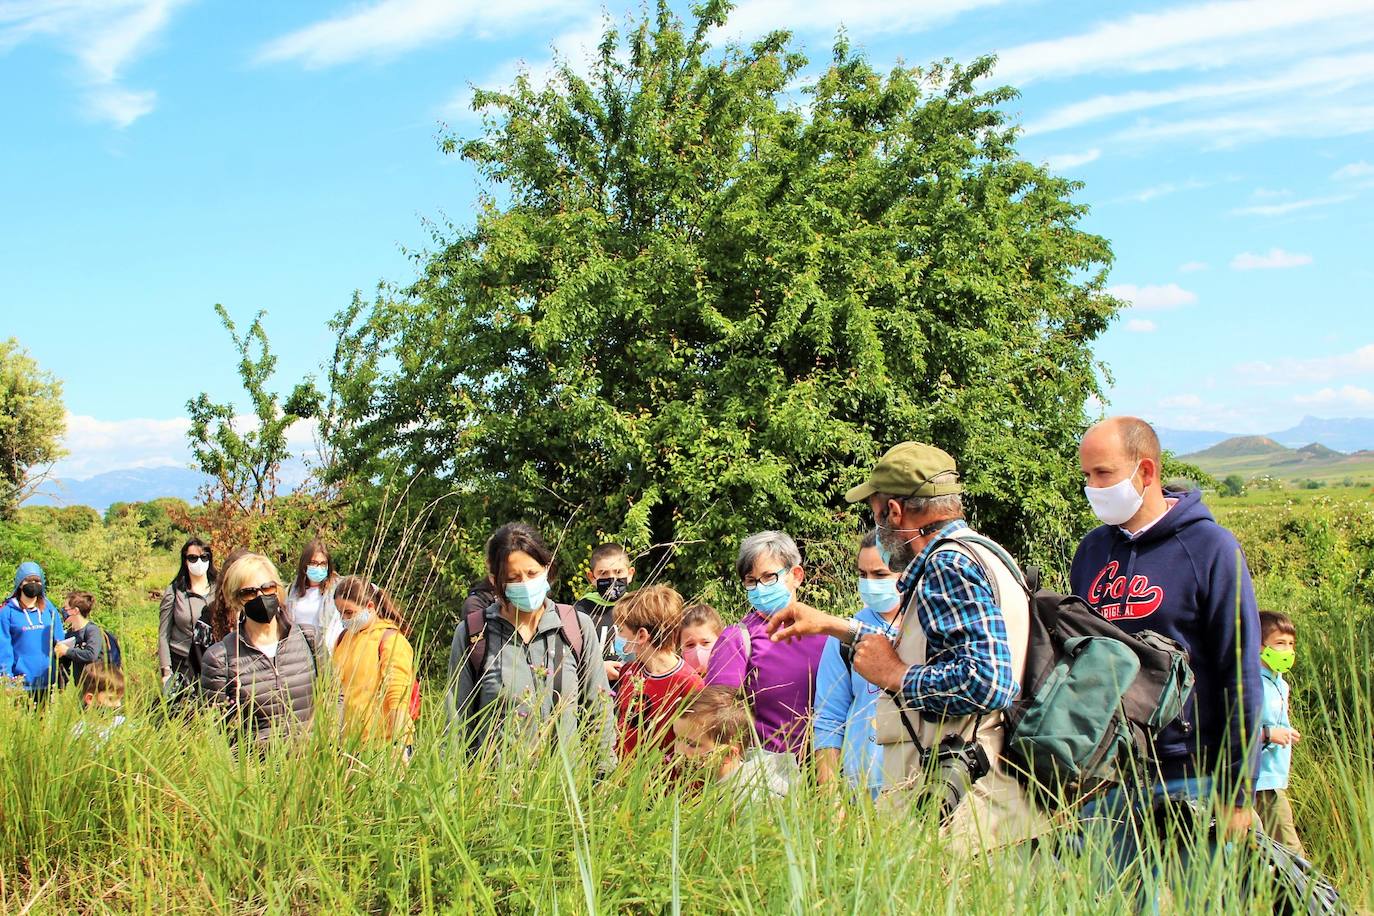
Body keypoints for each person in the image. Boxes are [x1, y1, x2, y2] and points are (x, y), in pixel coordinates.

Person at [767, 442, 1046, 852]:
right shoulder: (987, 553)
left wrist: (895, 676)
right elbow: (932, 652)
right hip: (988, 799)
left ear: (894, 512)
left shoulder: (947, 565)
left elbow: (988, 681)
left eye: (876, 513)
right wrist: (835, 627)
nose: (878, 528)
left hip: (965, 813)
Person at [1071, 417, 1261, 852]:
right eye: (1087, 476)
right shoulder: (1092, 552)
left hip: (1191, 776)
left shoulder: (1211, 548)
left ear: (1146, 471)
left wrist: (1238, 790)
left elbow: (1241, 671)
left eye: (1104, 474)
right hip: (1107, 780)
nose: (1093, 488)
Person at [444, 523, 615, 768]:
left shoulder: (575, 626)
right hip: (496, 794)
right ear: (495, 581)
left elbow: (599, 711)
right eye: (513, 578)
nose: (525, 584)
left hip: (565, 792)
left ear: (546, 568)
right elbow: (456, 722)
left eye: (532, 574)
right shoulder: (474, 633)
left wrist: (604, 780)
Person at [703, 531, 826, 759]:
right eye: (751, 581)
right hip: (765, 776)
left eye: (769, 577)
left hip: (827, 771)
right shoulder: (737, 638)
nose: (760, 588)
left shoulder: (826, 632)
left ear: (796, 575)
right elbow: (717, 717)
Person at [199, 553, 325, 744]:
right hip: (257, 769)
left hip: (312, 764)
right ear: (236, 599)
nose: (261, 596)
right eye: (249, 592)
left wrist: (330, 741)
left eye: (268, 588)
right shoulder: (220, 658)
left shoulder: (309, 639)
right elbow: (216, 729)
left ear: (278, 590)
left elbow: (334, 694)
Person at [812, 531, 902, 797]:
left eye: (880, 574)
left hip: (919, 787)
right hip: (861, 789)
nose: (869, 583)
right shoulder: (845, 635)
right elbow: (829, 718)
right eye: (863, 574)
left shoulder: (927, 629)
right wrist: (831, 799)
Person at [612, 585, 703, 758]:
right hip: (622, 779)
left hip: (663, 782)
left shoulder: (690, 684)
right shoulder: (629, 671)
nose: (618, 636)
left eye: (621, 630)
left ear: (641, 636)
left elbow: (696, 744)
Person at [673, 686, 798, 807]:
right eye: (677, 738)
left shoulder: (750, 800)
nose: (678, 750)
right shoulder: (720, 784)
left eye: (692, 744)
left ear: (728, 754)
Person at [332, 576, 417, 751]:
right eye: (340, 613)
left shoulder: (390, 640)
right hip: (350, 744)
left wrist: (398, 746)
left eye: (349, 612)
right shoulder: (342, 639)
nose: (344, 619)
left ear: (369, 606)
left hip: (383, 745)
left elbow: (398, 696)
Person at [1255, 610, 1304, 856]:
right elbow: (1236, 728)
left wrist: (1285, 732)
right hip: (1260, 780)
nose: (1287, 650)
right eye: (1279, 644)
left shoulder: (1281, 684)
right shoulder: (1251, 682)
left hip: (1276, 776)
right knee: (1291, 853)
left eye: (1290, 644)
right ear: (1260, 645)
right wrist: (1268, 734)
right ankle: (1305, 895)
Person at [572, 542, 636, 684]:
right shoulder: (580, 611)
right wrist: (598, 669)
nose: (612, 579)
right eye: (603, 573)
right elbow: (569, 658)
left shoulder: (639, 607)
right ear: (591, 577)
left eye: (618, 572)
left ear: (630, 573)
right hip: (595, 694)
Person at [159, 538, 216, 695]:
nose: (199, 562)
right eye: (193, 558)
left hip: (213, 660)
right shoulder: (175, 591)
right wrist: (166, 671)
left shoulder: (219, 589)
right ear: (185, 561)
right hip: (182, 661)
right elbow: (163, 633)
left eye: (204, 557)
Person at [0, 562, 62, 699]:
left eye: (37, 581)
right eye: (29, 580)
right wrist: (6, 679)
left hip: (47, 682)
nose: (33, 583)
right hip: (19, 685)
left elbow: (59, 639)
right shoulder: (7, 611)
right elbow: (3, 648)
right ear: (20, 583)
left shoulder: (49, 608)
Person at [286, 538, 343, 652]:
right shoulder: (292, 590)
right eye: (313, 563)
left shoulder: (338, 587)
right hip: (300, 651)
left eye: (323, 564)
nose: (318, 567)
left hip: (327, 651)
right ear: (305, 565)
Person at [55, 591, 112, 687]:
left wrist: (67, 651)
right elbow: (66, 662)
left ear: (75, 611)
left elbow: (91, 655)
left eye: (66, 608)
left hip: (98, 684)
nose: (64, 611)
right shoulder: (70, 633)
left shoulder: (92, 630)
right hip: (82, 686)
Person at [72, 662, 127, 742]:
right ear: (90, 699)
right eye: (111, 699)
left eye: (120, 699)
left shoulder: (123, 725)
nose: (118, 704)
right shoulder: (80, 732)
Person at [679, 604, 722, 679]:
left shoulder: (736, 678)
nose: (698, 652)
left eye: (705, 643)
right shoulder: (675, 684)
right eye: (690, 645)